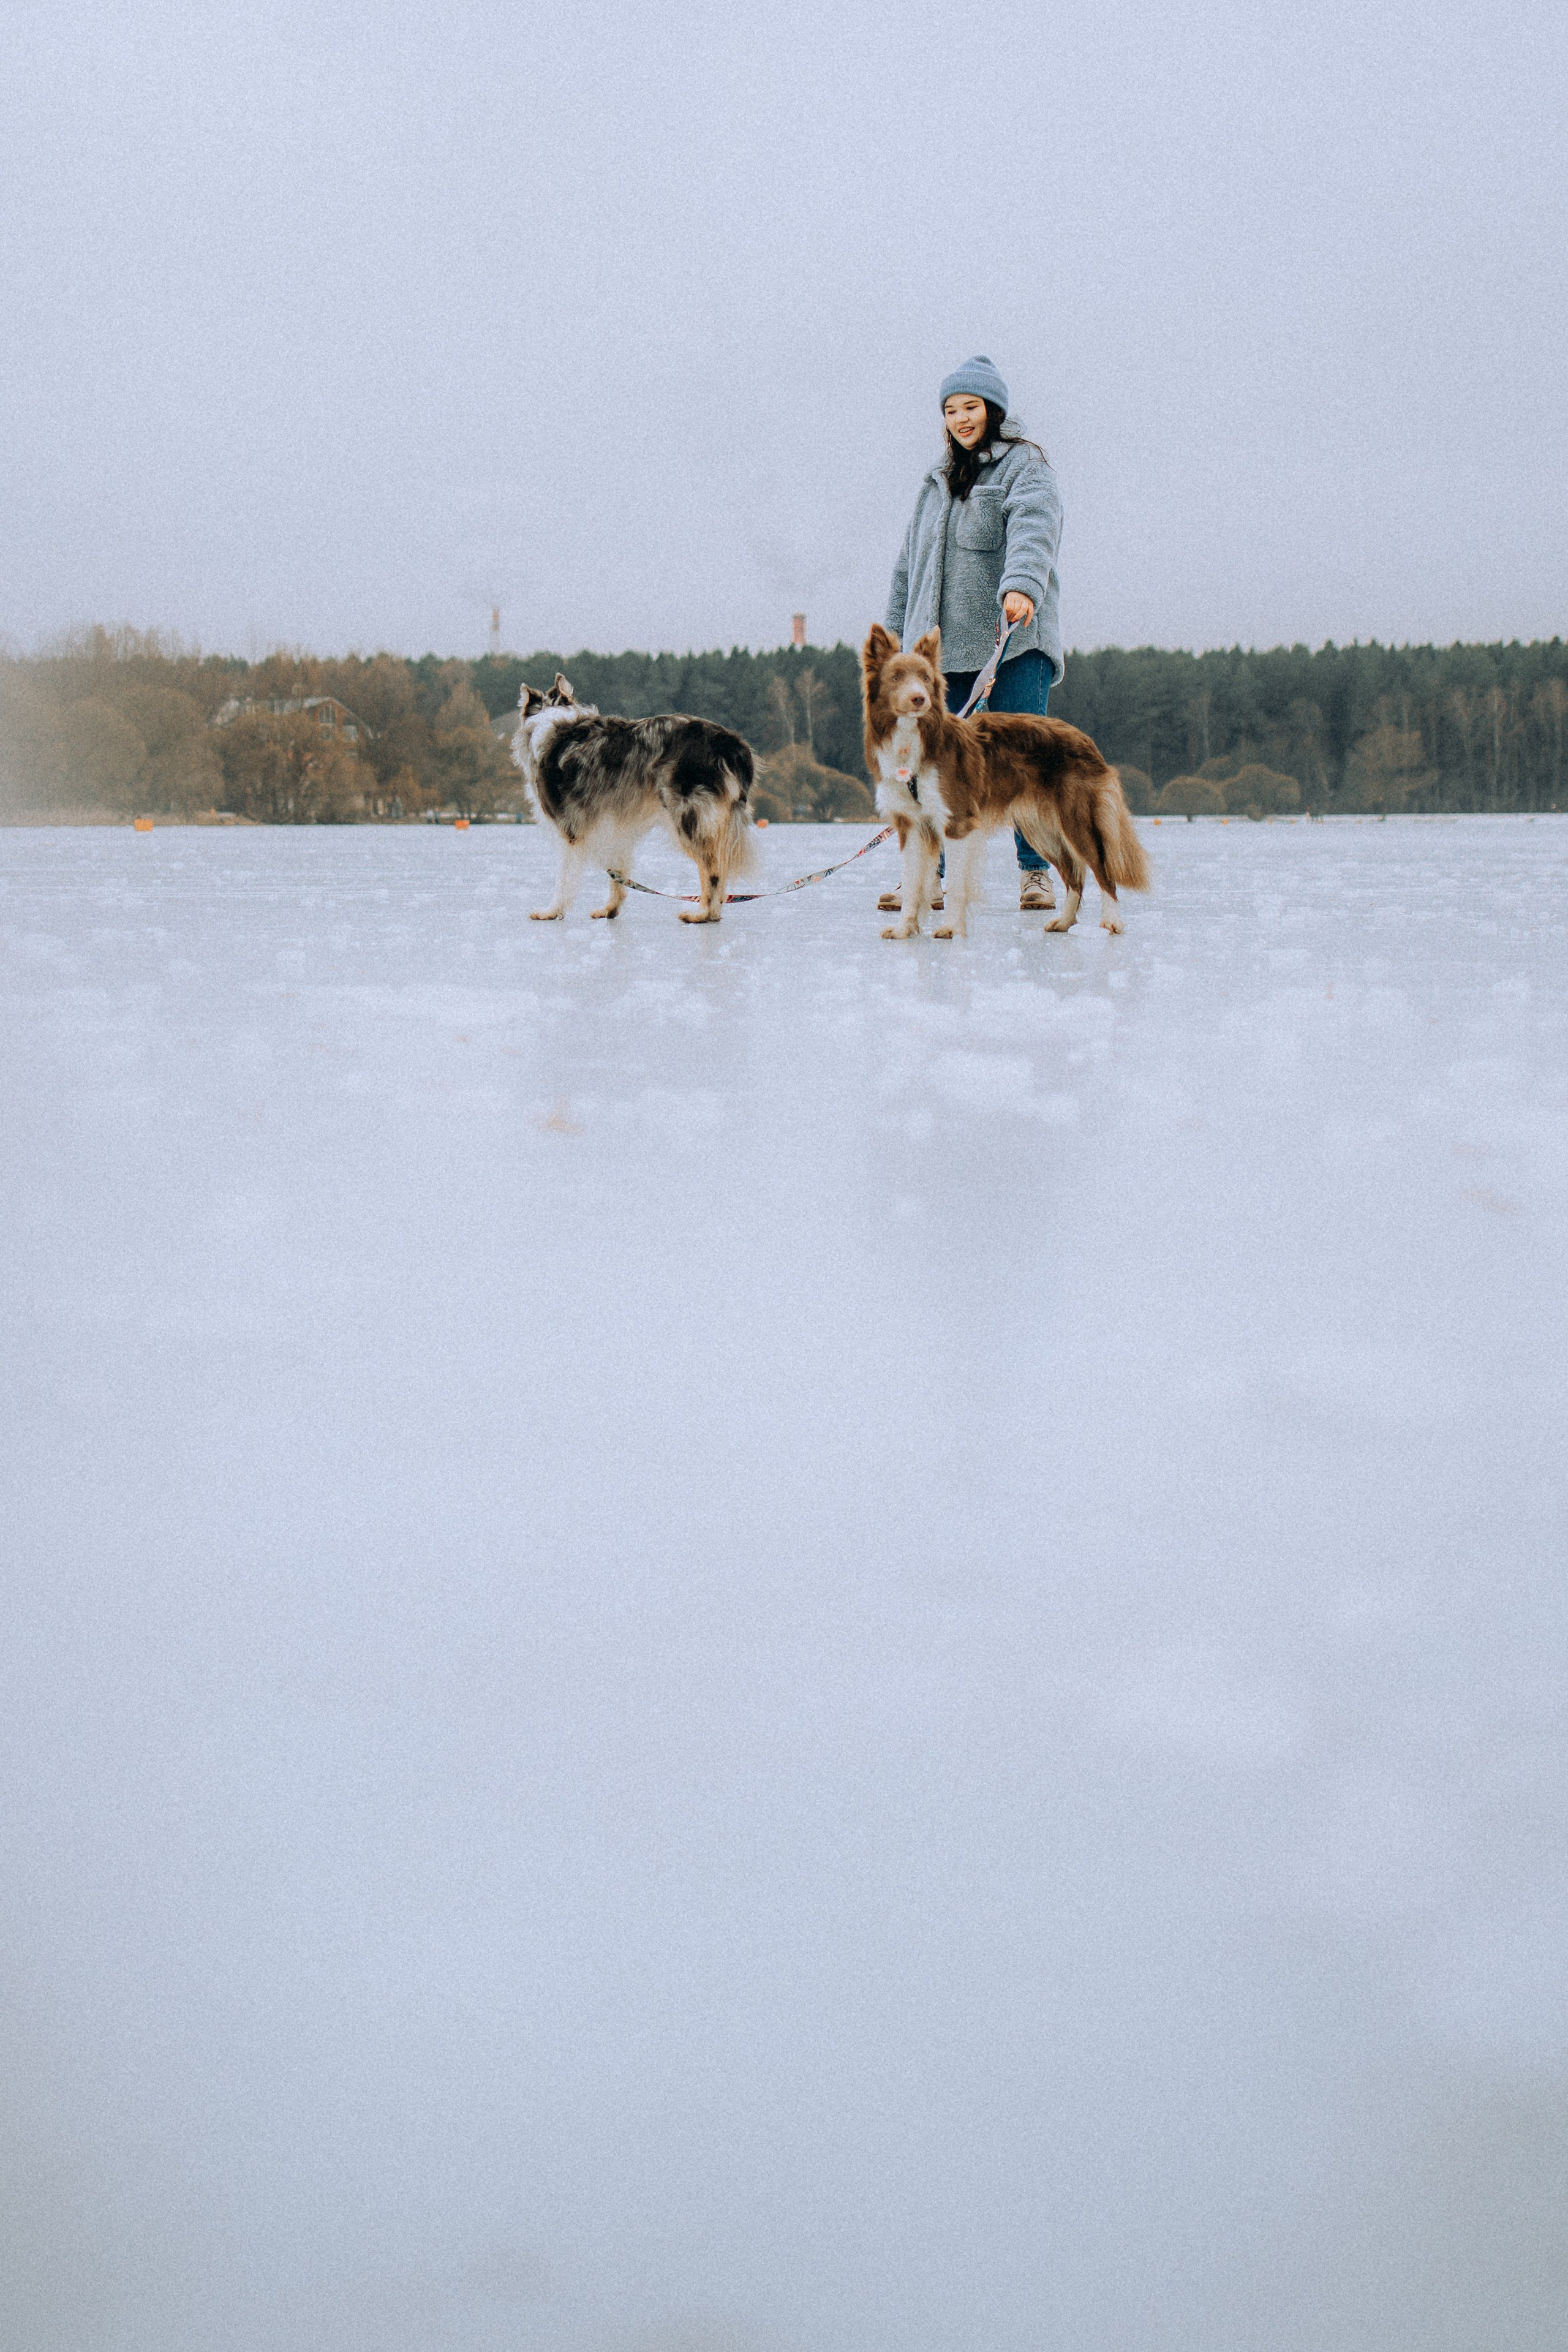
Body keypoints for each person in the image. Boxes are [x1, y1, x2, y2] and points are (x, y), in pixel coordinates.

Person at [881, 355, 1064, 913]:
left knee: (1021, 764)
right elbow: (908, 566)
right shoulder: (935, 482)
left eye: (971, 408)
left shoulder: (1024, 466)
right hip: (939, 656)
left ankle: (1036, 874)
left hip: (1010, 641)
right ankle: (929, 878)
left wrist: (1023, 587)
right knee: (937, 770)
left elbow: (1035, 526)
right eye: (951, 410)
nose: (961, 420)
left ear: (993, 410)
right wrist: (895, 641)